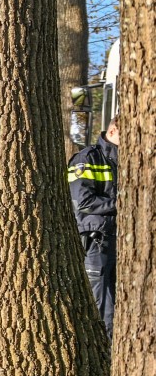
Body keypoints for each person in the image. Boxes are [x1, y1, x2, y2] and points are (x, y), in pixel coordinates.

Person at [68, 114, 119, 337]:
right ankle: (105, 352)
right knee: (102, 304)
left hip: (116, 239)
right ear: (112, 131)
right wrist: (121, 204)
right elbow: (83, 201)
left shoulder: (122, 158)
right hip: (97, 241)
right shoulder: (88, 158)